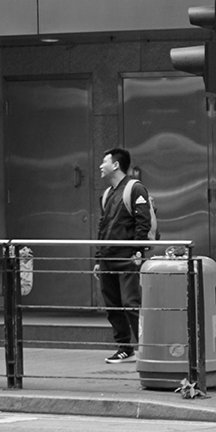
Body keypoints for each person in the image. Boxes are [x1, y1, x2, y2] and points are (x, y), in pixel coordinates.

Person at [94, 148, 153, 364]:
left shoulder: (134, 189)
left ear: (116, 165)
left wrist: (138, 252)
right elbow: (103, 227)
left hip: (128, 257)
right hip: (108, 258)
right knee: (113, 305)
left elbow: (143, 222)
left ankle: (146, 348)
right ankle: (124, 348)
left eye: (104, 161)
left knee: (131, 303)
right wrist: (98, 259)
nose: (101, 166)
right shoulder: (109, 193)